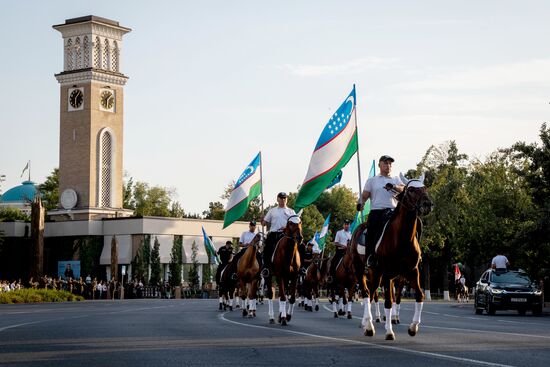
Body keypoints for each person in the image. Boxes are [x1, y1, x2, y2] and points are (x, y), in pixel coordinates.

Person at [357, 155, 404, 266]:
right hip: (377, 212)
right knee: (371, 232)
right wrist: (360, 203)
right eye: (385, 163)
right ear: (379, 165)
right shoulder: (372, 181)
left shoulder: (396, 179)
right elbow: (364, 196)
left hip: (393, 212)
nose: (388, 165)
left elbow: (402, 188)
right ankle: (370, 257)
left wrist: (393, 186)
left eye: (390, 164)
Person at [261, 192, 296, 277]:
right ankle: (266, 268)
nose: (283, 199)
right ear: (277, 199)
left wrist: (286, 228)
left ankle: (298, 268)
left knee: (299, 247)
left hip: (286, 235)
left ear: (286, 199)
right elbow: (264, 224)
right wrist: (262, 219)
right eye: (281, 198)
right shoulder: (272, 211)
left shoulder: (291, 211)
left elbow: (295, 224)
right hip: (274, 234)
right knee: (267, 249)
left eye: (284, 198)